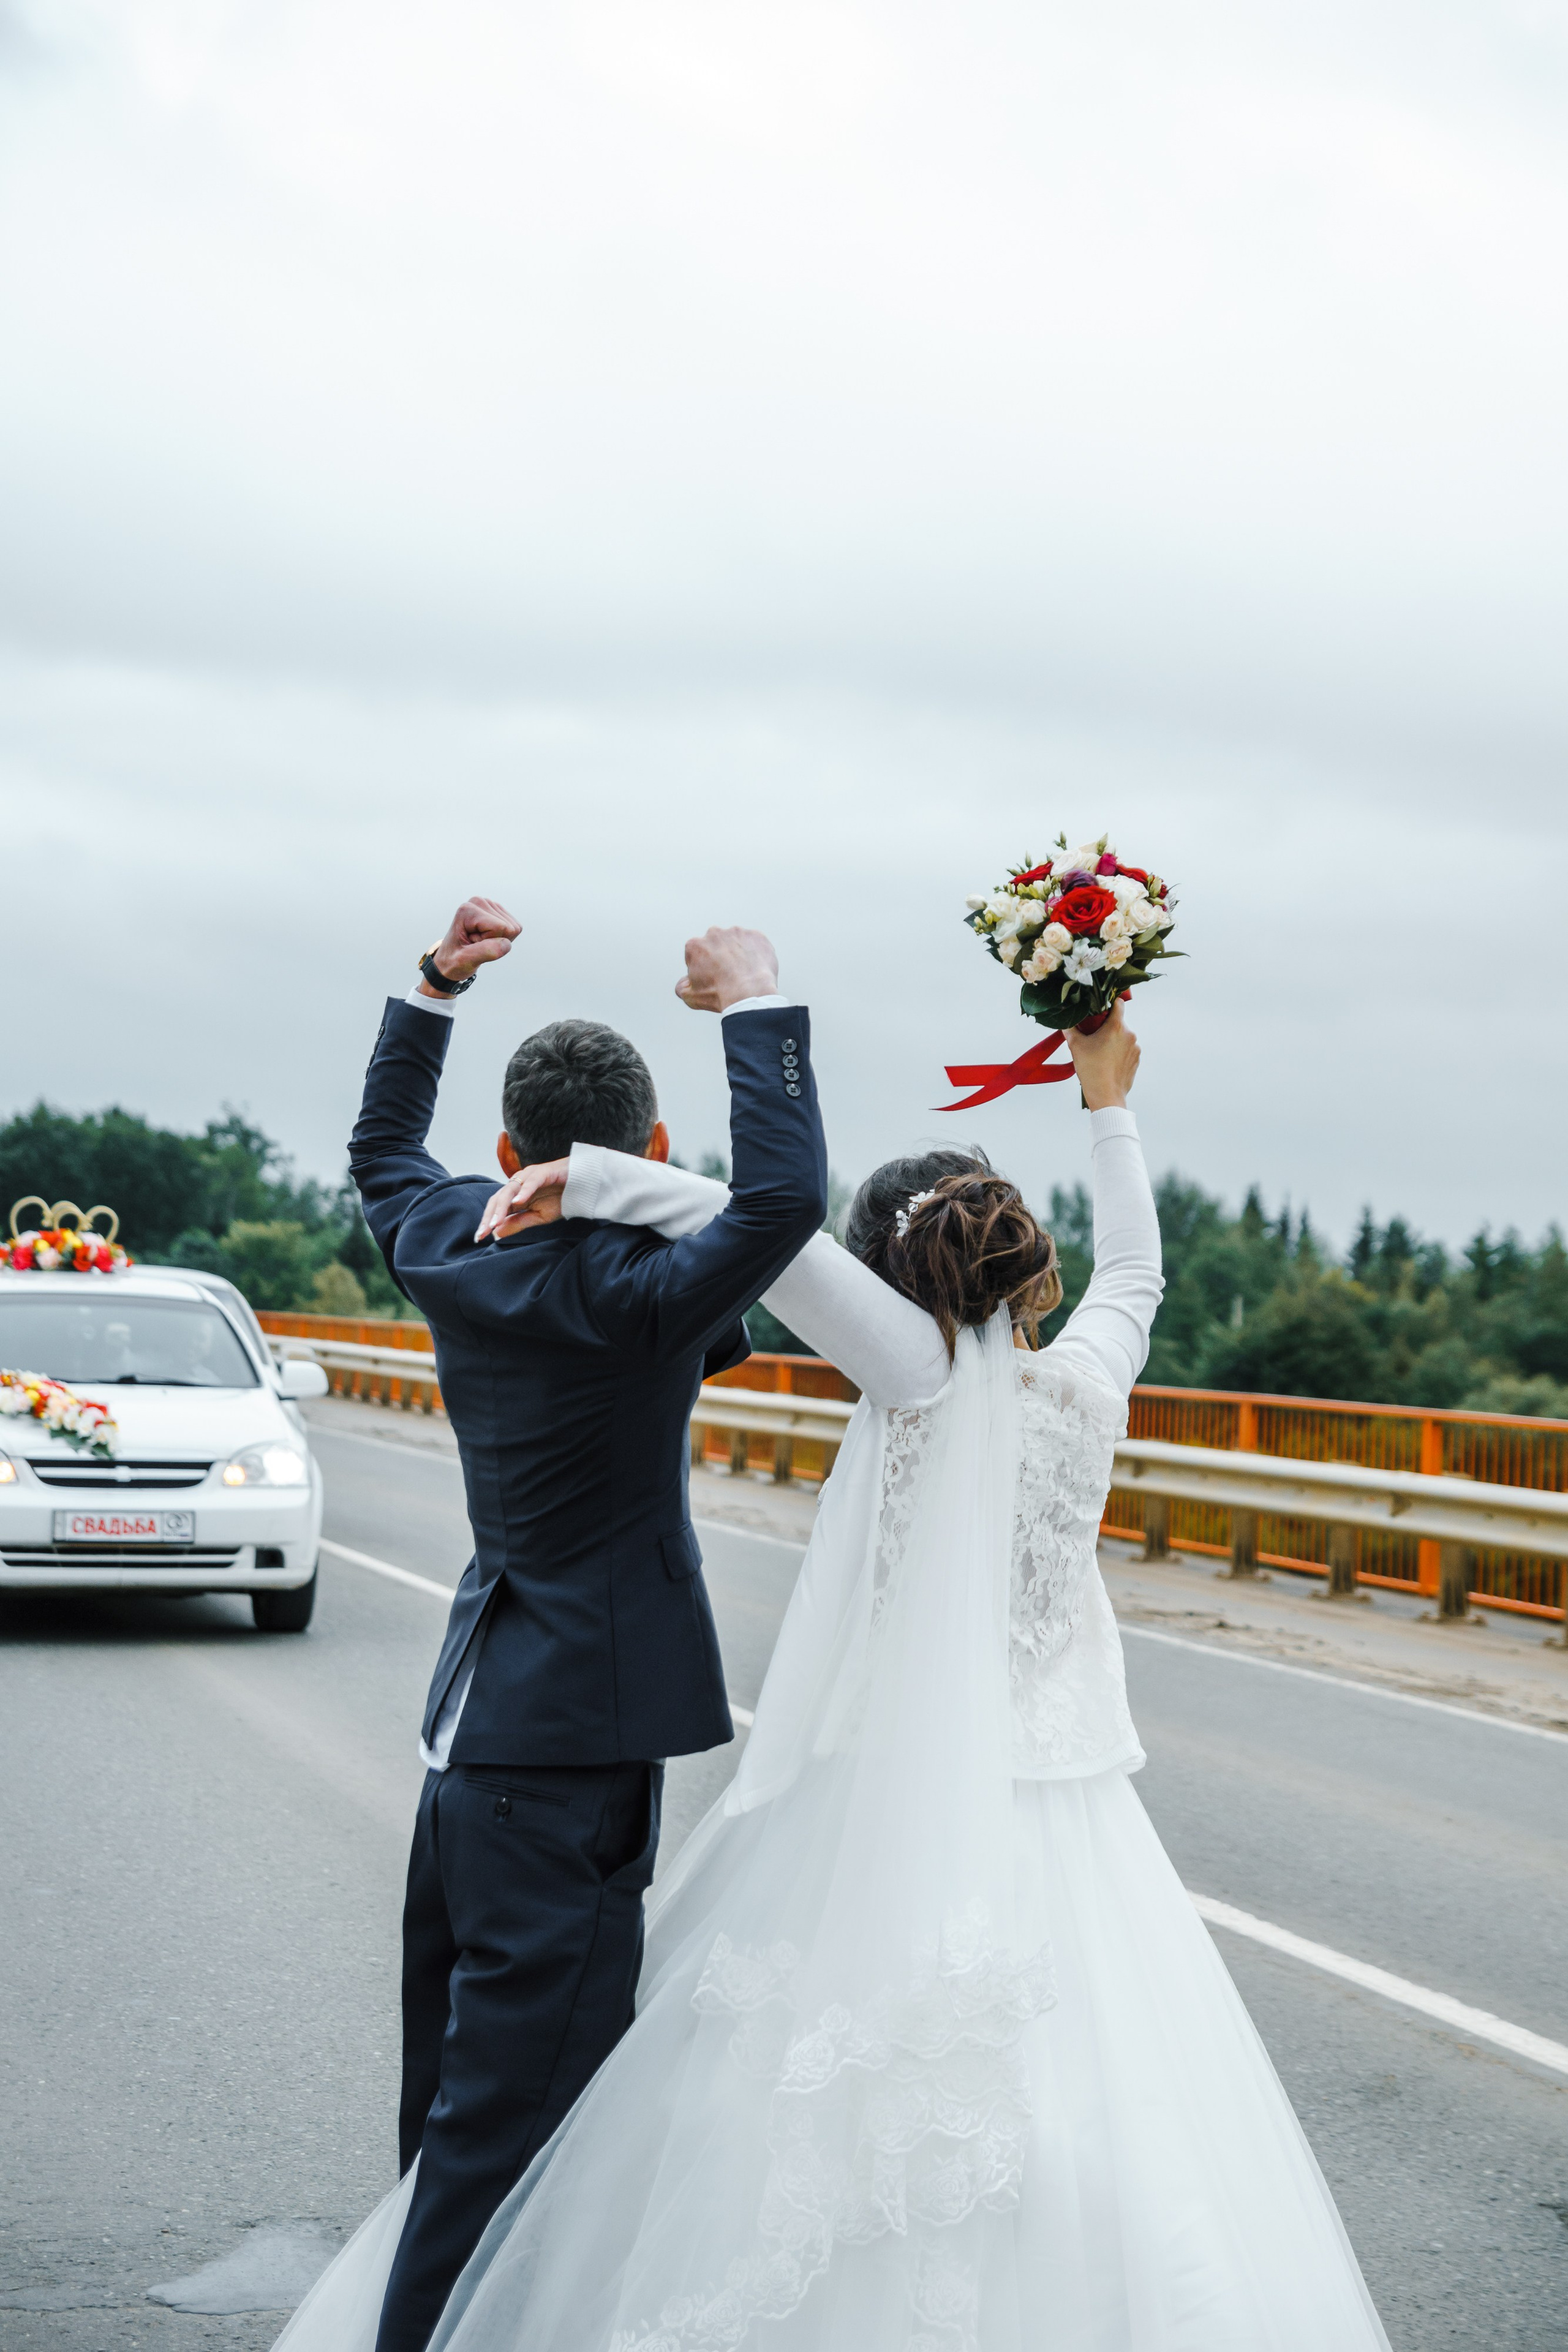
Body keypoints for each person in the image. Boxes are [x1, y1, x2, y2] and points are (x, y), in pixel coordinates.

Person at [280, 1003, 1390, 2352]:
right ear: (1021, 1267)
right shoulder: (1089, 1387)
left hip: (875, 1809)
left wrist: (596, 1179)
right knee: (1114, 2112)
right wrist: (1110, 1103)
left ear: (887, 1272)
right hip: (1072, 1813)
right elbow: (1136, 1277)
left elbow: (776, 1234)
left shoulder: (908, 1376)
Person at [337, 897, 828, 2352]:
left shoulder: (443, 1236)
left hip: (472, 1745)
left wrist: (432, 987)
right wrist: (754, 1005)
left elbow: (379, 1147)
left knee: (454, 2122)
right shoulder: (633, 1289)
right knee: (508, 2147)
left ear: (507, 1158)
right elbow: (781, 1208)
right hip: (562, 1768)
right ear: (649, 1155)